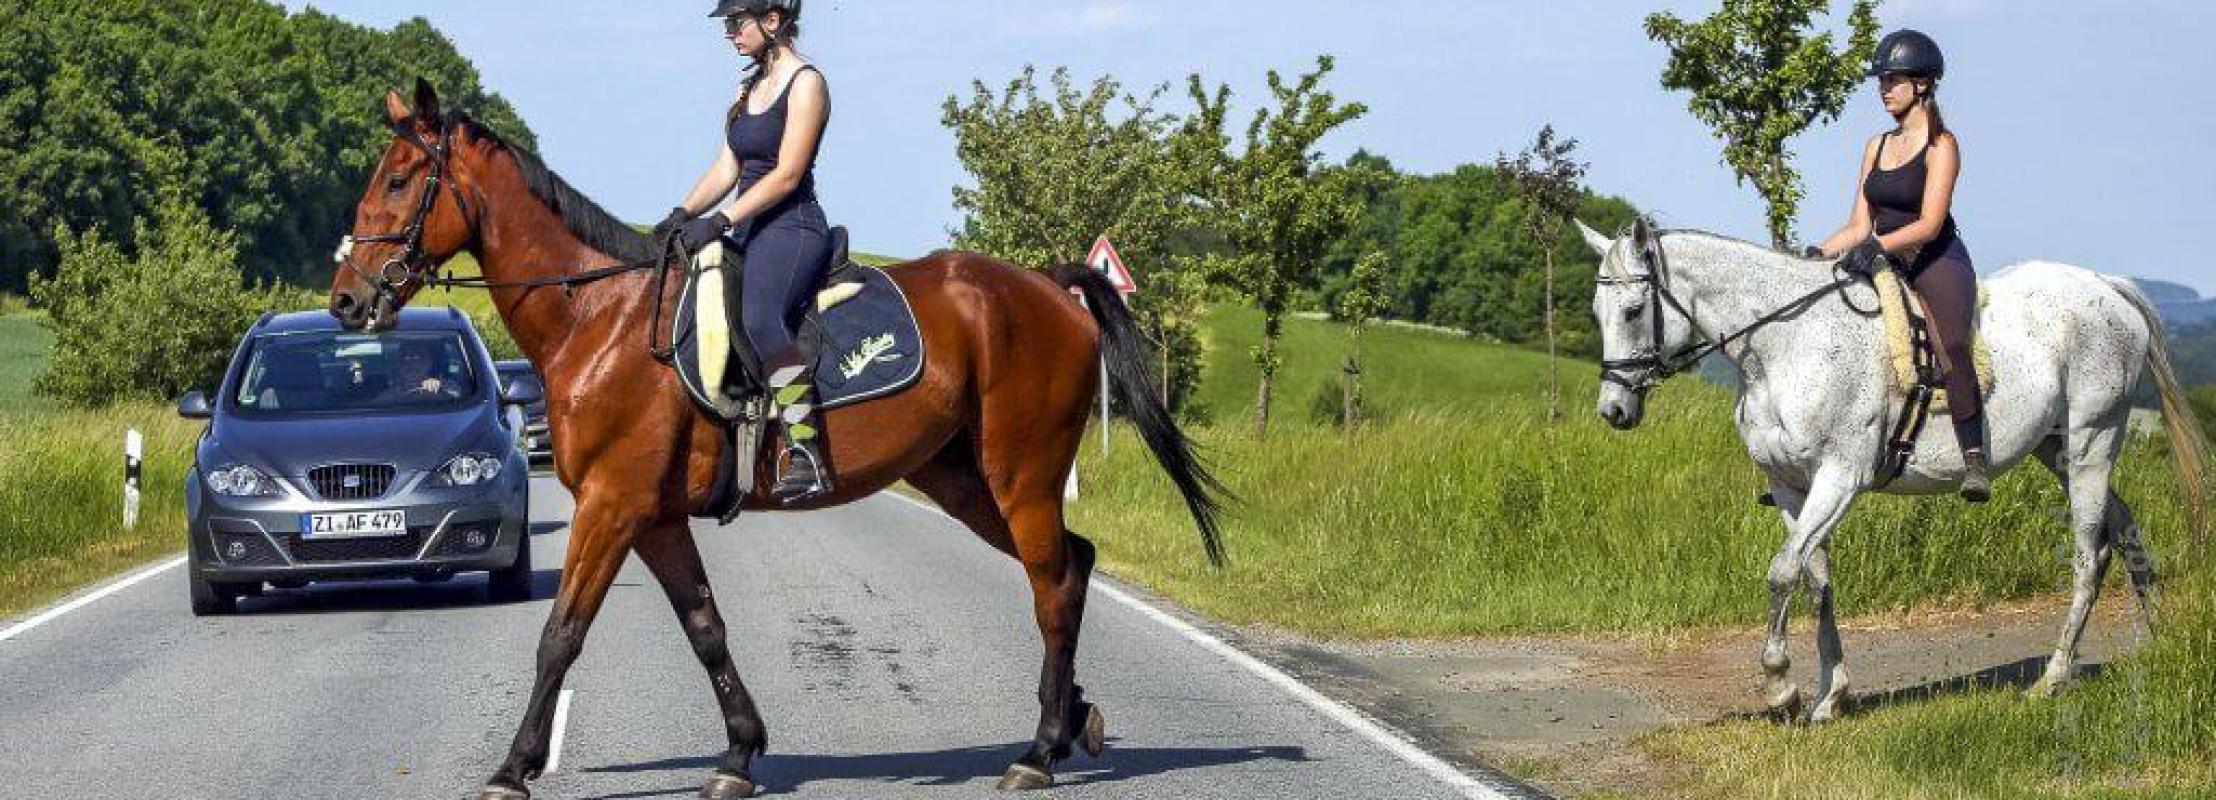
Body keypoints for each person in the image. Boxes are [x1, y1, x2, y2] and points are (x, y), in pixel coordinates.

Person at [657, 0, 835, 504]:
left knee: (759, 318)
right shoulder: (745, 88)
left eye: (737, 22)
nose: (730, 33)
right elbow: (726, 169)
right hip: (744, 227)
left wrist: (720, 221)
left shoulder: (807, 84)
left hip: (791, 226)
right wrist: (681, 213)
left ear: (772, 21)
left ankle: (804, 448)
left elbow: (787, 174)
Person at [1812, 29, 1990, 502]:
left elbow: (1930, 224)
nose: (1884, 88)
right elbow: (1857, 224)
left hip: (1933, 259)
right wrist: (1816, 253)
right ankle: (1808, 459)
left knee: (1950, 341)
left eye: (1893, 79)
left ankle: (1973, 457)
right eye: (1882, 80)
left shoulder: (1941, 145)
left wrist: (1879, 246)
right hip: (1880, 254)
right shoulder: (1876, 145)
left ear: (1924, 84)